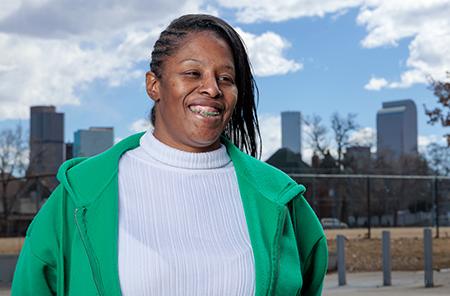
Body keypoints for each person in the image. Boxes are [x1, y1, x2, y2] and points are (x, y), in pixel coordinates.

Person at [12, 14, 327, 296]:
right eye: (192, 73)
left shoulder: (281, 200)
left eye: (226, 78)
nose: (212, 89)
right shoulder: (79, 195)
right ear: (154, 86)